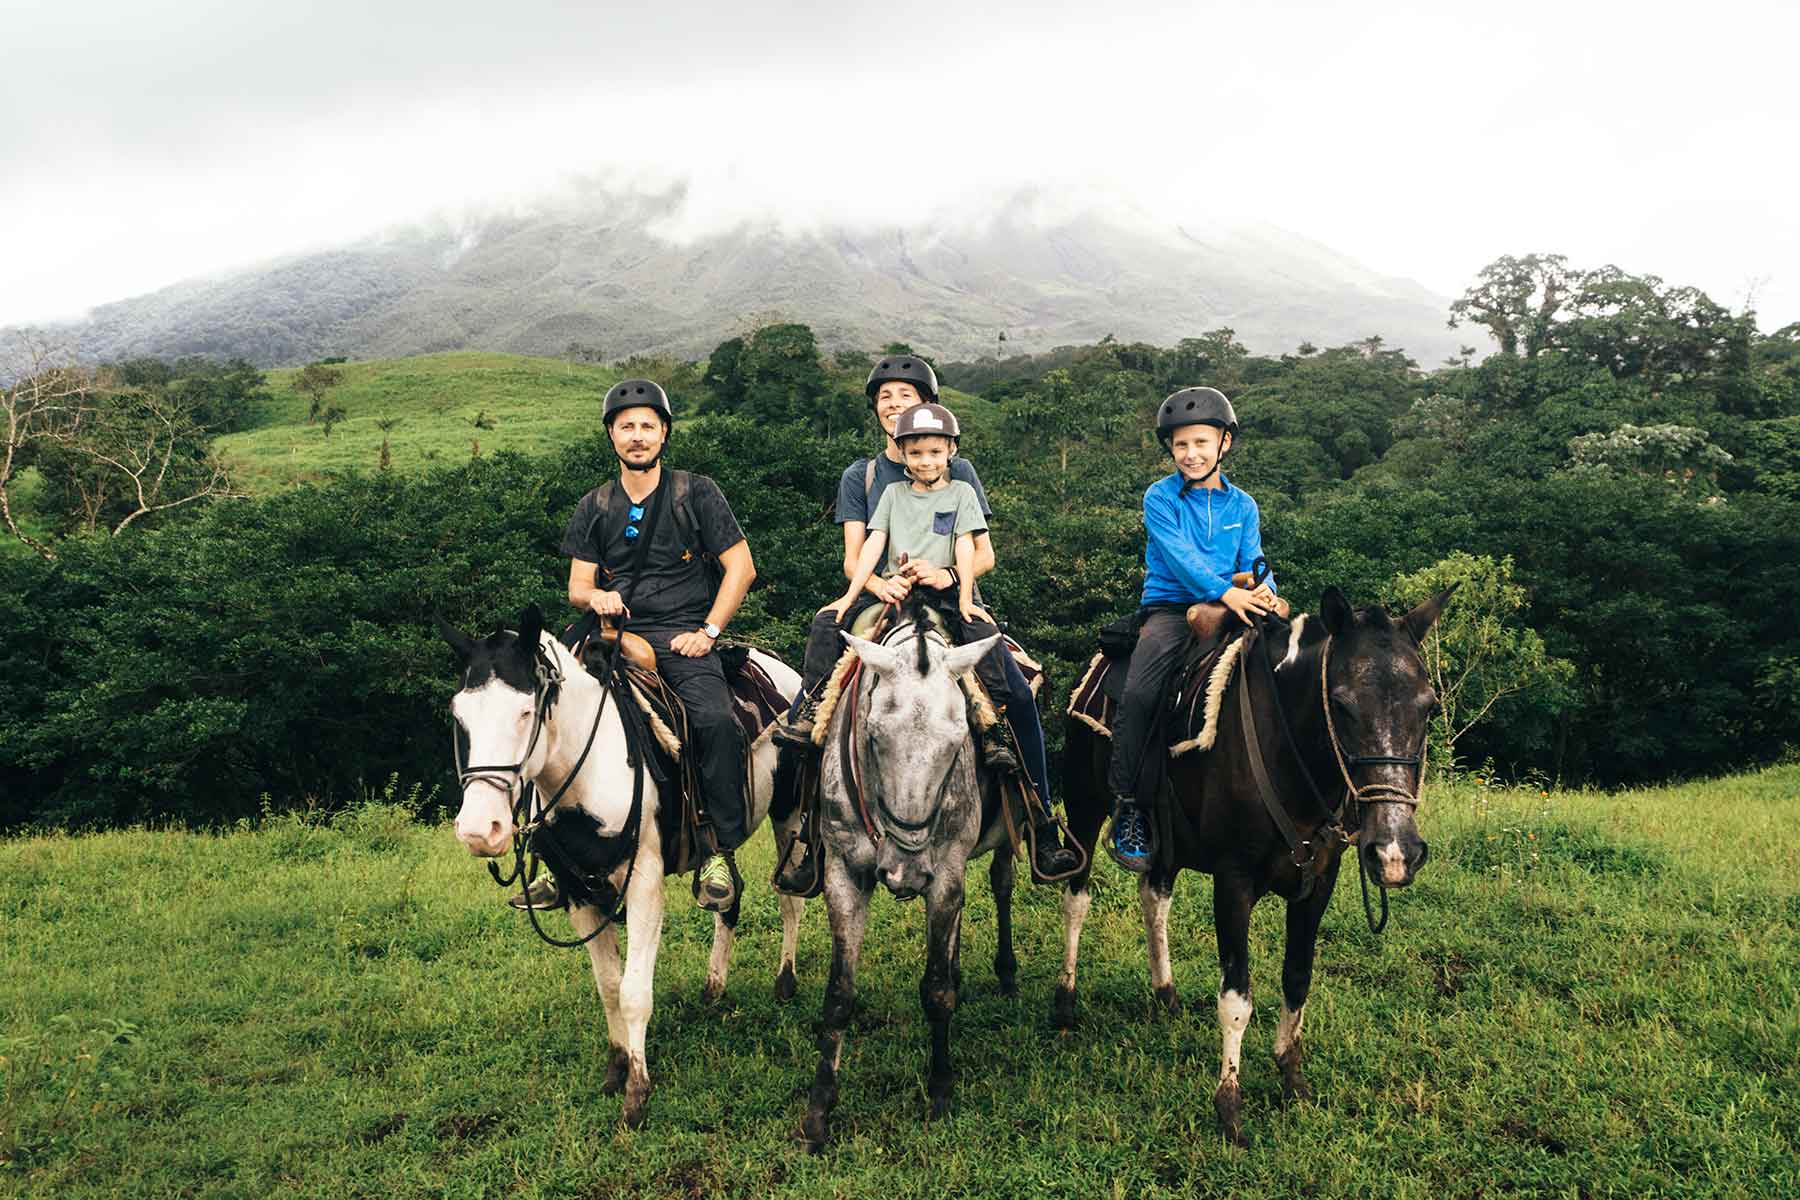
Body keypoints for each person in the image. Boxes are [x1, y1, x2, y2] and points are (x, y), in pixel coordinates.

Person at [781, 401, 1080, 881]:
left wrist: (958, 590)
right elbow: (870, 546)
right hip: (893, 597)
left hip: (942, 597)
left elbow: (971, 547)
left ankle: (1034, 802)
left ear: (950, 451)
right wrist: (861, 590)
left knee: (1011, 683)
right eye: (915, 452)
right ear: (903, 451)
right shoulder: (888, 491)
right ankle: (811, 751)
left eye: (933, 452)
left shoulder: (962, 486)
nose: (925, 459)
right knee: (826, 628)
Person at [557, 379, 758, 911]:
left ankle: (719, 850)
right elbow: (578, 587)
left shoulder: (697, 492)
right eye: (627, 427)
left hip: (682, 634)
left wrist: (709, 632)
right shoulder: (595, 505)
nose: (638, 436)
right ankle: (549, 849)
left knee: (715, 721)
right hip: (611, 632)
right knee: (546, 707)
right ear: (612, 437)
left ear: (664, 433)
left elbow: (740, 567)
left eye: (648, 426)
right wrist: (597, 597)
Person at [1106, 386, 1279, 873]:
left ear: (1224, 443)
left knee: (1289, 671)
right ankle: (1129, 807)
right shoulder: (1159, 497)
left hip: (1237, 603)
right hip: (1170, 609)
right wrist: (1228, 592)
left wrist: (1265, 590)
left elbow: (1255, 560)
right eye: (1181, 445)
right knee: (1139, 694)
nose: (1191, 454)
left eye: (1201, 443)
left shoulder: (1242, 505)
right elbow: (1183, 561)